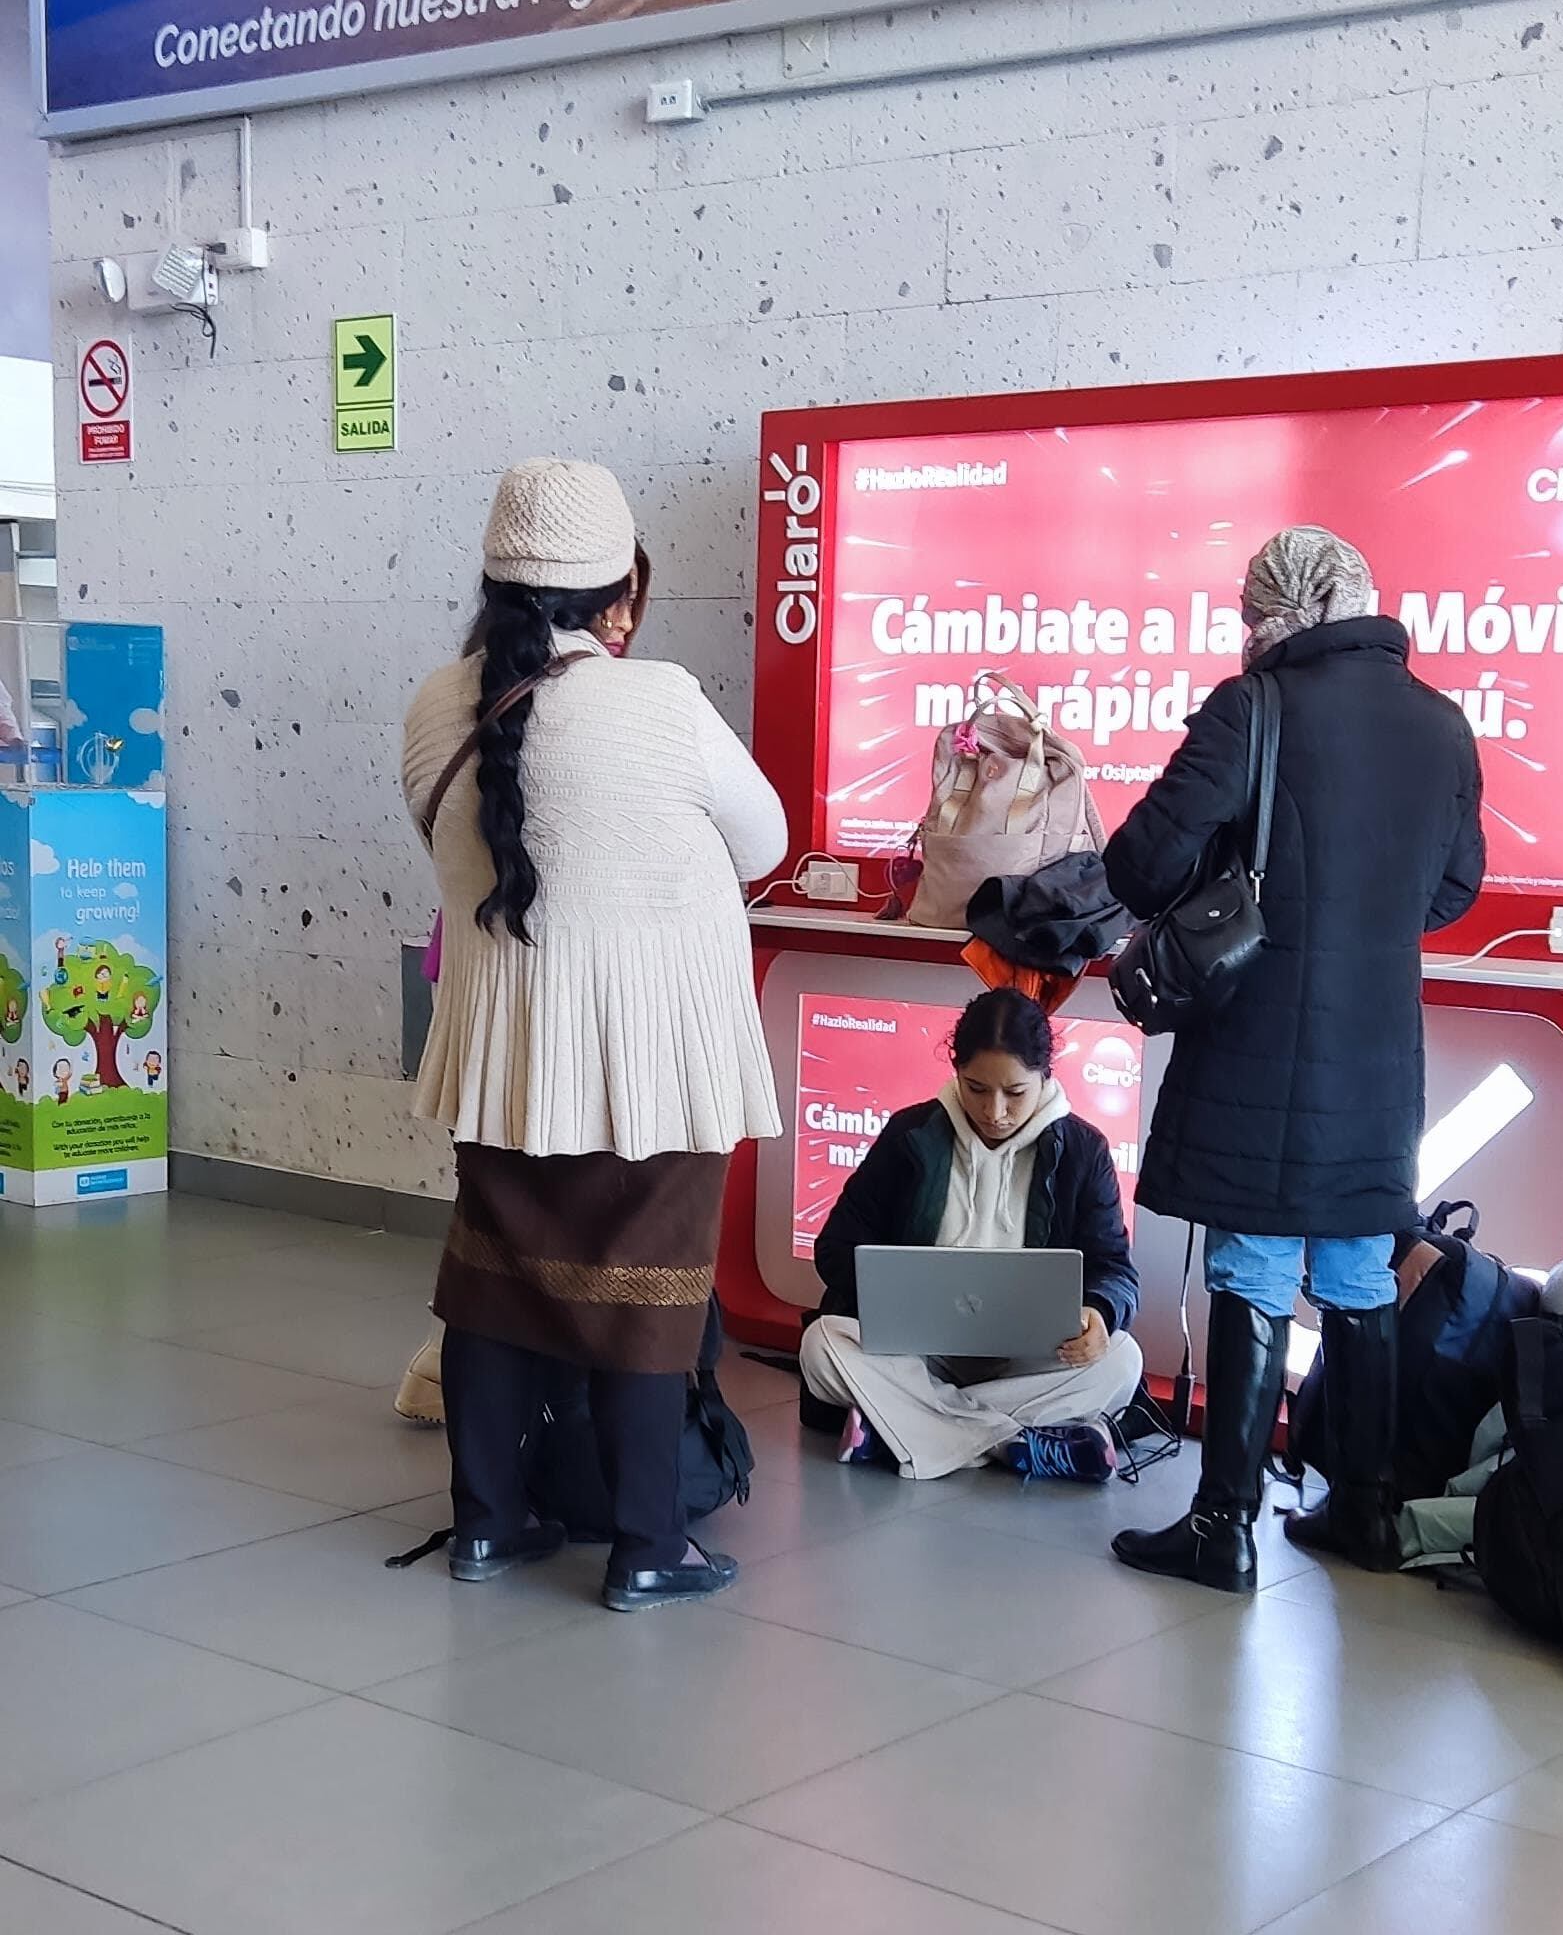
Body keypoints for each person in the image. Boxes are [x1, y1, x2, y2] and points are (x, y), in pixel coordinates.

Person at [402, 457, 786, 1611]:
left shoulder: (435, 702)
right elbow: (763, 841)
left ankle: (486, 1526)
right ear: (617, 590)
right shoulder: (660, 700)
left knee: (491, 1287)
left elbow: (455, 844)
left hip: (503, 1053)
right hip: (649, 1062)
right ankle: (647, 1544)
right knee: (646, 1295)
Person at [1104, 526, 1485, 1593]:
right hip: (1378, 1050)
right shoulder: (1442, 724)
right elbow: (1454, 892)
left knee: (1255, 1266)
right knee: (1362, 1270)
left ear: (1271, 617)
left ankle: (1224, 1525)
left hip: (1262, 1043)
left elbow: (1142, 864)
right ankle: (1362, 1509)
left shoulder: (1255, 708)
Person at [393, 539, 658, 1433]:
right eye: (616, 603)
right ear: (584, 604)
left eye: (635, 606)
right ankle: (487, 1383)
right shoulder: (629, 711)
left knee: (503, 1209)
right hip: (523, 991)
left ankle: (481, 1393)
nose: (624, 623)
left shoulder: (450, 696)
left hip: (483, 980)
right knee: (531, 1211)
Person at [799, 988, 1145, 1481]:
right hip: (919, 1354)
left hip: (1030, 1359)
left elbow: (1115, 1269)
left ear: (1045, 1076)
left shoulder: (1083, 1151)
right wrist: (889, 1295)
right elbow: (835, 1248)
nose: (995, 1111)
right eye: (977, 1088)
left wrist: (1101, 1311)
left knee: (1122, 1360)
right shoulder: (910, 1134)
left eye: (1014, 1092)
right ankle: (1014, 1444)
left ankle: (900, 1428)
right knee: (822, 1343)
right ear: (955, 1070)